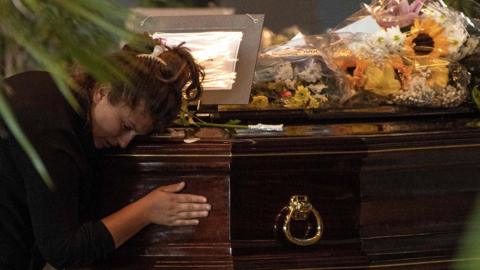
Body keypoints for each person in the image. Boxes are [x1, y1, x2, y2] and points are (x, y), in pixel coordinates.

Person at [0, 37, 211, 269]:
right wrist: (147, 210)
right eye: (126, 126)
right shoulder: (53, 132)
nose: (124, 143)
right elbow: (62, 250)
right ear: (103, 91)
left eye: (136, 136)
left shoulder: (51, 92)